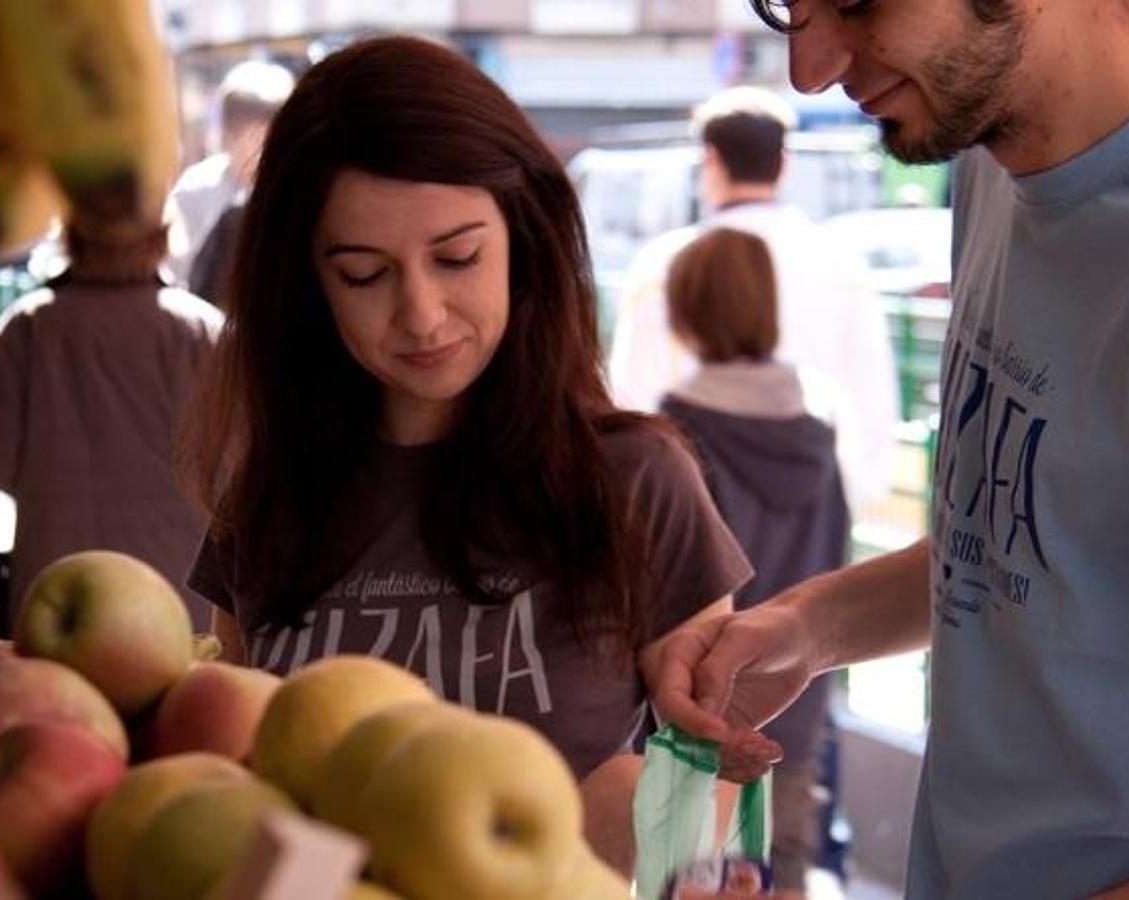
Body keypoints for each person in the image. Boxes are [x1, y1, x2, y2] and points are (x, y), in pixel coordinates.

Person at [652, 1, 1129, 898]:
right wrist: (807, 626)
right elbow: (1051, 542)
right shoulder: (992, 160)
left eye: (855, 2)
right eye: (790, 9)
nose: (809, 68)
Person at [181, 36, 756, 874]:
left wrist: (619, 829)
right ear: (308, 283)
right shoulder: (269, 493)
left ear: (524, 240)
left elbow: (722, 798)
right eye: (364, 273)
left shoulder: (634, 479)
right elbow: (242, 797)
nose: (421, 314)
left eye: (457, 257)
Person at [659, 227, 849, 895]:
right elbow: (838, 562)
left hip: (700, 703)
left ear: (682, 312)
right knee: (785, 860)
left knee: (694, 873)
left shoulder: (674, 434)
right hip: (800, 696)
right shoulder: (817, 432)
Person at [607, 85, 898, 511]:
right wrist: (853, 495)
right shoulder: (840, 264)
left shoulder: (665, 265)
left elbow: (633, 396)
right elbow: (870, 391)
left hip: (696, 507)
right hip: (818, 500)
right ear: (784, 164)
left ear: (709, 159)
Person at [0, 223, 224, 630]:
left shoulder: (24, 329)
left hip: (58, 594)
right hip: (177, 598)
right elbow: (232, 469)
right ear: (162, 237)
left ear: (71, 238)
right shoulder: (204, 332)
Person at [163, 59, 295, 288]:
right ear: (230, 132)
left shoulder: (300, 187)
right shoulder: (196, 190)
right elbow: (177, 273)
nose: (269, 147)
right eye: (257, 135)